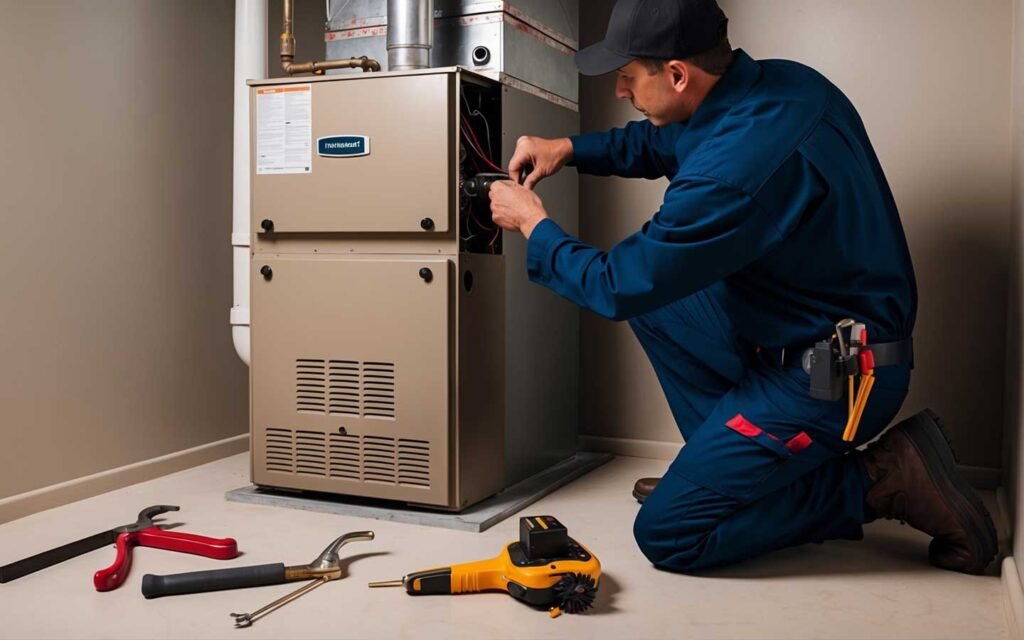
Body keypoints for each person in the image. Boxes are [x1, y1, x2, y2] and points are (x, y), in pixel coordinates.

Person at [488, 0, 997, 574]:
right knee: (666, 307)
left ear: (678, 74)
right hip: (813, 334)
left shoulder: (737, 167)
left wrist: (533, 222)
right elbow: (663, 143)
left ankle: (882, 480)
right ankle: (726, 478)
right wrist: (570, 149)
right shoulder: (776, 86)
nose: (621, 91)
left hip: (842, 371)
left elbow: (617, 286)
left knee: (671, 532)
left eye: (628, 77)